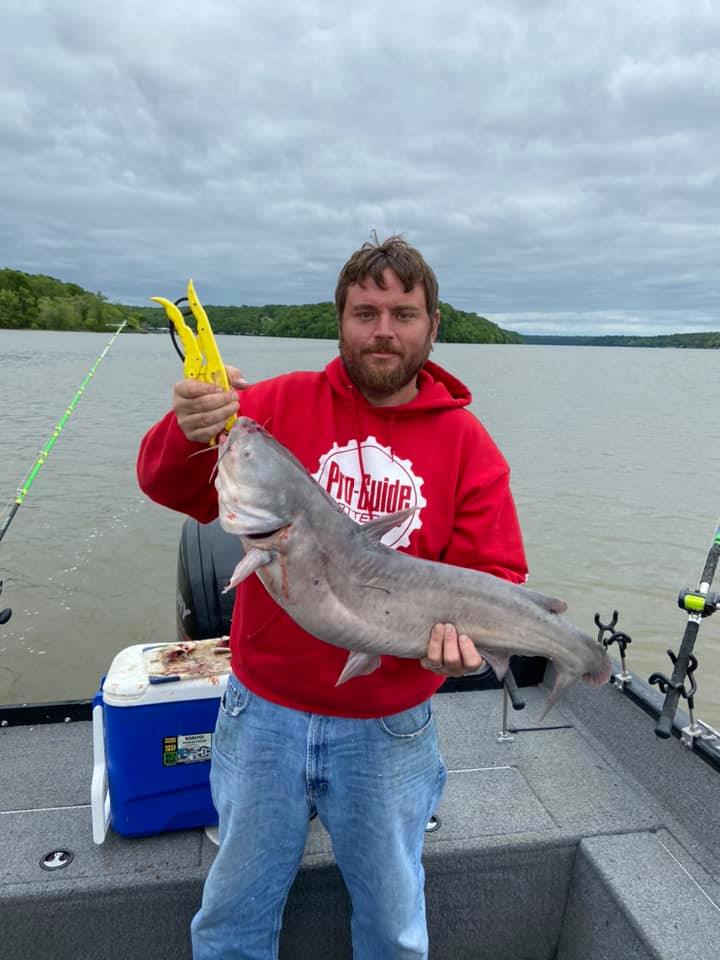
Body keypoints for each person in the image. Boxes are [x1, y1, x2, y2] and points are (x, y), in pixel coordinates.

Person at [136, 235, 528, 960]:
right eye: (365, 313)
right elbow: (168, 483)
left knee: (394, 928)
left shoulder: (468, 444)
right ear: (340, 320)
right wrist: (185, 427)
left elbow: (495, 575)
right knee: (231, 918)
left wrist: (466, 653)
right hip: (263, 714)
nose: (383, 331)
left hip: (389, 726)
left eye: (403, 314)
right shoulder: (272, 405)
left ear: (433, 326)